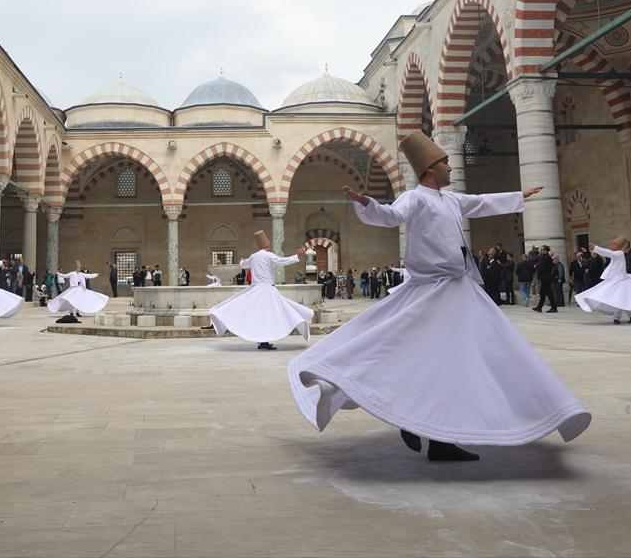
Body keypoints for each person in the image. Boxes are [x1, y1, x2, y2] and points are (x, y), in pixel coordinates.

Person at [288, 131, 588, 462]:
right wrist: (367, 204)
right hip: (430, 291)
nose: (450, 167)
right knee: (423, 357)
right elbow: (391, 216)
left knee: (452, 362)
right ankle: (419, 425)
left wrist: (519, 196)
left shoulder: (450, 199)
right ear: (430, 169)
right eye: (445, 162)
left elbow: (481, 202)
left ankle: (435, 433)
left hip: (457, 288)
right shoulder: (414, 198)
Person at [209, 231, 311, 350]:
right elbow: (282, 261)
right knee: (273, 314)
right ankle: (264, 340)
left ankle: (263, 341)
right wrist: (297, 256)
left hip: (256, 289)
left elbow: (243, 265)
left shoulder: (253, 256)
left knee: (259, 315)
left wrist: (242, 261)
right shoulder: (269, 255)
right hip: (267, 290)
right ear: (267, 245)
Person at [531, 245, 557, 313]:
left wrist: (537, 266)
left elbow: (542, 267)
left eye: (542, 250)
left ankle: (554, 307)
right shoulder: (543, 257)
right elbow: (535, 261)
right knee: (542, 293)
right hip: (544, 278)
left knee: (548, 293)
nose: (540, 251)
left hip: (546, 278)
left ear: (545, 251)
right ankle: (539, 307)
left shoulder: (547, 258)